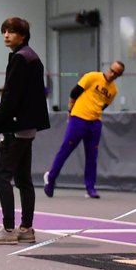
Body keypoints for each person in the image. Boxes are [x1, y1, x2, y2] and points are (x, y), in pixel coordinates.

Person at [0, 17, 50, 245]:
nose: (6, 35)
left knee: (0, 177)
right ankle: (26, 229)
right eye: (4, 31)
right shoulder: (31, 57)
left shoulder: (21, 59)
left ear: (23, 35)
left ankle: (8, 230)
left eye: (12, 31)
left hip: (17, 129)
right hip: (27, 128)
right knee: (23, 179)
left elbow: (11, 98)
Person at [43, 61, 125, 199]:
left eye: (116, 74)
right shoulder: (92, 77)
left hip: (95, 123)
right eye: (112, 70)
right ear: (109, 68)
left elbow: (102, 106)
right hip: (79, 118)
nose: (112, 74)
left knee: (92, 156)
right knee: (65, 150)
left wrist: (94, 115)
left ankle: (90, 187)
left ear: (119, 75)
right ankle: (51, 179)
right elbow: (74, 93)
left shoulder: (113, 91)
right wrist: (70, 111)